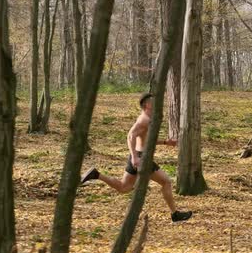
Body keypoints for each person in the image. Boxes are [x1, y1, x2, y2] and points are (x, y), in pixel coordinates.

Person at [80, 93, 193, 223]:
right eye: (153, 102)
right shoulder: (144, 120)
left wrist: (165, 142)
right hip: (141, 157)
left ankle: (96, 175)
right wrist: (134, 157)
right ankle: (175, 214)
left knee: (124, 187)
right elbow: (130, 136)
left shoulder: (147, 119)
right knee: (166, 182)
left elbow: (147, 139)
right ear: (146, 105)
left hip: (141, 156)